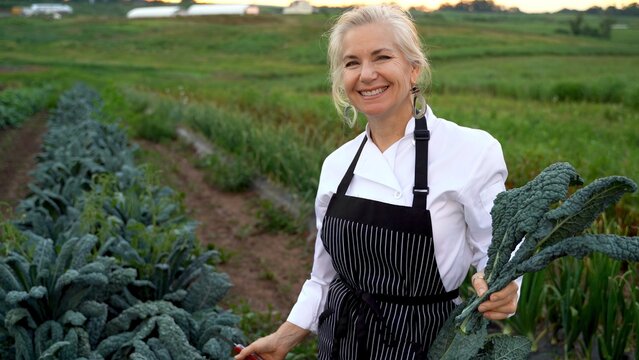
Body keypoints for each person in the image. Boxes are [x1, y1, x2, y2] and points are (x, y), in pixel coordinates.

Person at [236, 5, 519, 360]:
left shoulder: (471, 151)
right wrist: (284, 337)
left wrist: (505, 289)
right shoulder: (337, 165)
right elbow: (324, 277)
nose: (366, 74)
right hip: (341, 344)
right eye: (351, 63)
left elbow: (498, 250)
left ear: (413, 68)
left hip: (428, 346)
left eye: (381, 57)